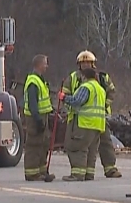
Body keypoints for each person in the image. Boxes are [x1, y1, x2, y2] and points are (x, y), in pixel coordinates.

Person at [62, 50, 121, 179]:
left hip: (99, 118)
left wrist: (104, 105)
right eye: (83, 63)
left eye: (88, 62)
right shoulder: (73, 77)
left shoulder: (102, 77)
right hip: (80, 118)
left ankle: (110, 168)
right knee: (88, 146)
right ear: (79, 64)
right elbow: (66, 93)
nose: (86, 65)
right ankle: (88, 173)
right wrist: (70, 108)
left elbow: (112, 92)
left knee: (104, 143)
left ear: (93, 63)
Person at [60, 67, 106, 181]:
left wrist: (64, 98)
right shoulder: (100, 89)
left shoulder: (86, 87)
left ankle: (77, 174)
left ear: (84, 76)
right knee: (91, 150)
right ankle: (89, 174)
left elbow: (77, 101)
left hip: (85, 123)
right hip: (98, 125)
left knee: (77, 148)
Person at [23, 54, 56, 182]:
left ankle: (42, 172)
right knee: (34, 145)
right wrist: (38, 120)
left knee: (43, 144)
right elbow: (33, 103)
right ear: (39, 65)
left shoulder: (41, 80)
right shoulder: (33, 82)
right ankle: (31, 173)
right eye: (45, 63)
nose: (47, 66)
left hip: (43, 117)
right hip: (35, 118)